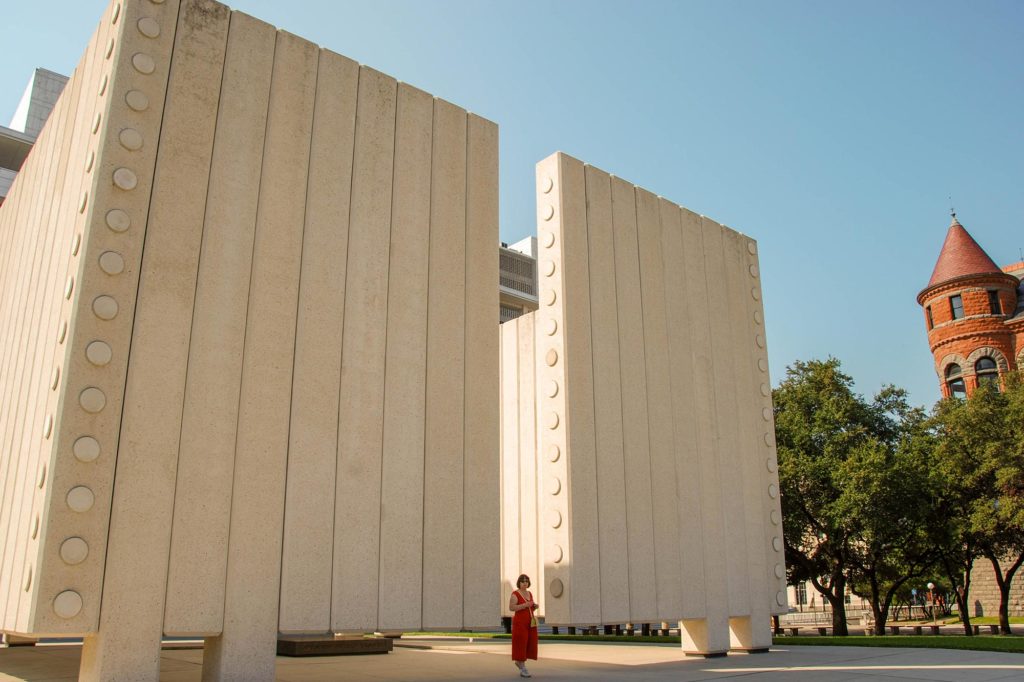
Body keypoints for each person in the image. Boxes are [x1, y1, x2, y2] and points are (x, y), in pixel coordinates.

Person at [510, 574, 538, 678]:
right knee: (521, 644)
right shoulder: (515, 594)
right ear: (519, 583)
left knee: (529, 643)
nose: (525, 583)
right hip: (520, 623)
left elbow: (529, 608)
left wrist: (534, 607)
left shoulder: (529, 593)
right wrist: (525, 605)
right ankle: (522, 667)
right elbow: (511, 608)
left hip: (530, 623)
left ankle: (520, 663)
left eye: (526, 581)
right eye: (522, 581)